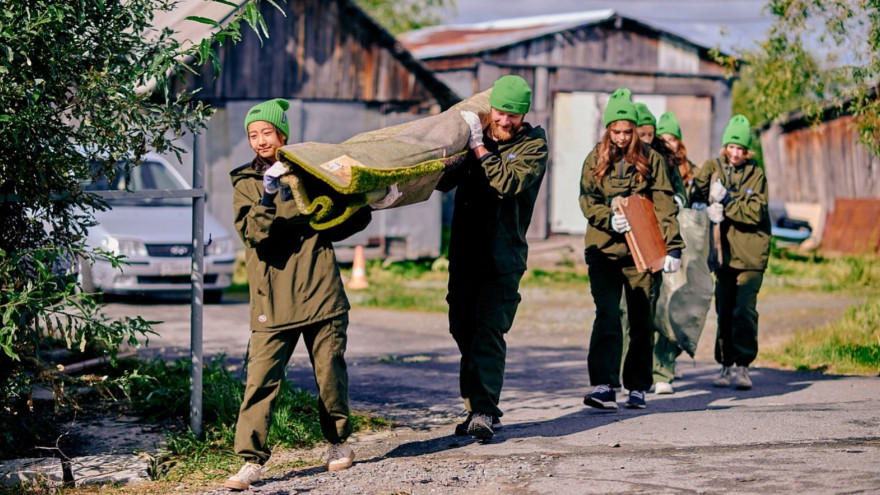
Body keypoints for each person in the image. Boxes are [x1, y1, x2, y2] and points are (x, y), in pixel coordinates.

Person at [224, 98, 370, 490]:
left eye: (266, 133)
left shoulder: (312, 172)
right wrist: (269, 196)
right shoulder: (246, 183)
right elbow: (253, 233)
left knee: (329, 375)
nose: (259, 141)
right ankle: (250, 462)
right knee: (260, 381)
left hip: (320, 290)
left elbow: (344, 222)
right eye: (253, 135)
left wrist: (366, 194)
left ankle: (338, 444)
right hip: (271, 298)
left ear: (282, 134)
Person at [439, 75, 548, 440]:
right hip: (466, 255)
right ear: (491, 110)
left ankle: (484, 409)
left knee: (488, 330)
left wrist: (478, 149)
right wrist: (454, 144)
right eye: (501, 113)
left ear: (524, 116)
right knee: (462, 328)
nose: (505, 122)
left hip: (503, 259)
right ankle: (476, 406)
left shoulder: (533, 146)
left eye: (514, 116)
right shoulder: (475, 139)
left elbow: (507, 182)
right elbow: (440, 181)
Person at [579, 88, 684, 411]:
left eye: (628, 131)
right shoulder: (595, 158)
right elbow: (587, 200)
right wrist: (609, 219)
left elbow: (665, 204)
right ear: (608, 129)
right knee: (608, 316)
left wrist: (674, 249)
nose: (623, 137)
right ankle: (604, 385)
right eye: (617, 131)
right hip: (604, 250)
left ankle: (637, 386)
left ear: (636, 130)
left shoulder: (651, 159)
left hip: (643, 253)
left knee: (641, 318)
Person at [692, 114, 771, 391]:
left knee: (744, 311)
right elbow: (695, 193)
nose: (736, 153)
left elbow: (755, 212)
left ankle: (743, 367)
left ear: (747, 151)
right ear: (725, 147)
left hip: (750, 256)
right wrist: (705, 205)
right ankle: (725, 365)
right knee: (724, 310)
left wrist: (728, 201)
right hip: (722, 255)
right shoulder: (714, 167)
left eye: (741, 148)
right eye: (731, 146)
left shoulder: (756, 174)